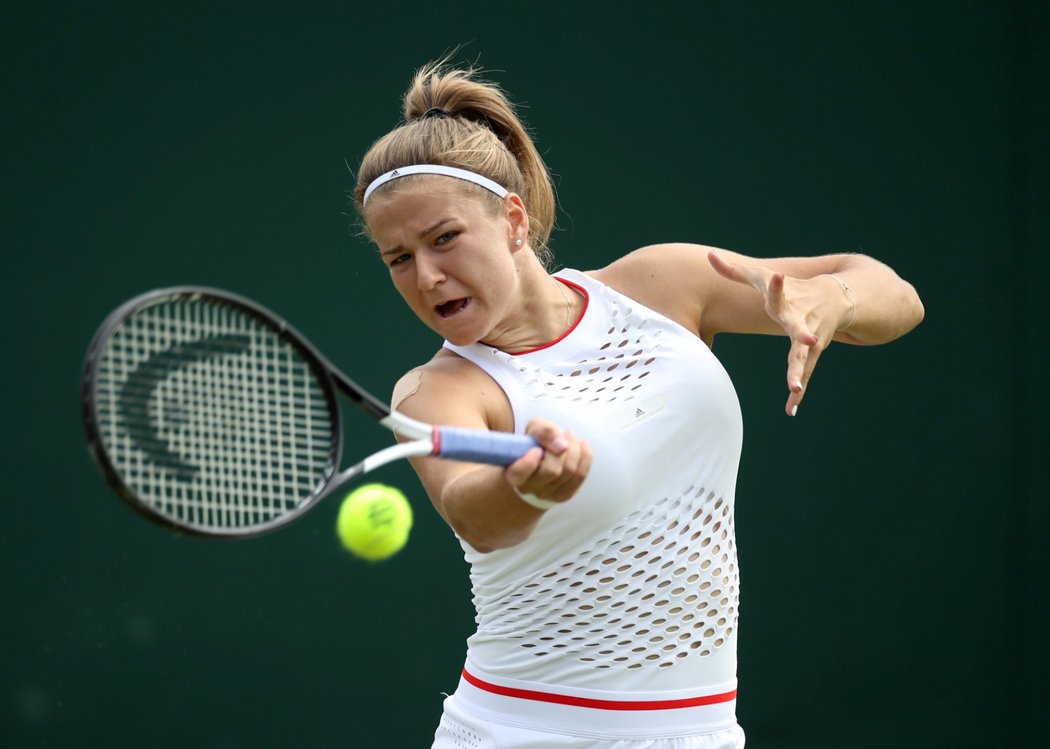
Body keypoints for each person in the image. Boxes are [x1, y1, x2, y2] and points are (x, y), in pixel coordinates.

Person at [351, 57, 924, 749]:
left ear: (512, 218)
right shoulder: (438, 389)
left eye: (444, 238)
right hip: (523, 734)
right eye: (399, 258)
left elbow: (897, 298)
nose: (428, 275)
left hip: (700, 732)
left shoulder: (663, 285)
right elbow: (477, 515)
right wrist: (525, 488)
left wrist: (833, 299)